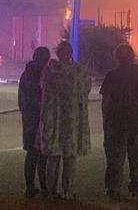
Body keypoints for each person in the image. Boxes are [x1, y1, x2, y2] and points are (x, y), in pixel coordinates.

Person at [100, 43, 138, 201]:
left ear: (116, 58)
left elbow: (105, 101)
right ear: (133, 56)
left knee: (115, 158)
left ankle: (113, 188)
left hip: (116, 122)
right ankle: (137, 189)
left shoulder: (112, 75)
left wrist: (105, 120)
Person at [37, 41, 91, 200]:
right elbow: (86, 89)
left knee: (53, 156)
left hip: (53, 117)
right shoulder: (78, 71)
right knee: (70, 157)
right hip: (72, 119)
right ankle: (68, 191)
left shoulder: (49, 70)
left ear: (57, 53)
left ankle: (50, 191)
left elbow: (42, 87)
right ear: (70, 53)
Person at [18, 46, 50, 198]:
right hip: (37, 117)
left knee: (35, 152)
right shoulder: (39, 74)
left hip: (30, 117)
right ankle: (39, 185)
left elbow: (22, 100)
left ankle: (34, 186)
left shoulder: (27, 73)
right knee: (39, 153)